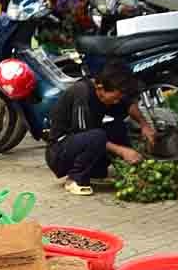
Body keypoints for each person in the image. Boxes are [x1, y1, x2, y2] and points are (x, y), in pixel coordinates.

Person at [45, 62, 156, 196]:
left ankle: (99, 172)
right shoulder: (82, 93)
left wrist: (145, 125)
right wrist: (122, 151)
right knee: (97, 136)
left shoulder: (110, 91)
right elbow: (84, 133)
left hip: (82, 141)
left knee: (118, 127)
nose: (116, 102)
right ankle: (74, 179)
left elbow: (128, 105)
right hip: (59, 152)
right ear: (100, 87)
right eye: (114, 98)